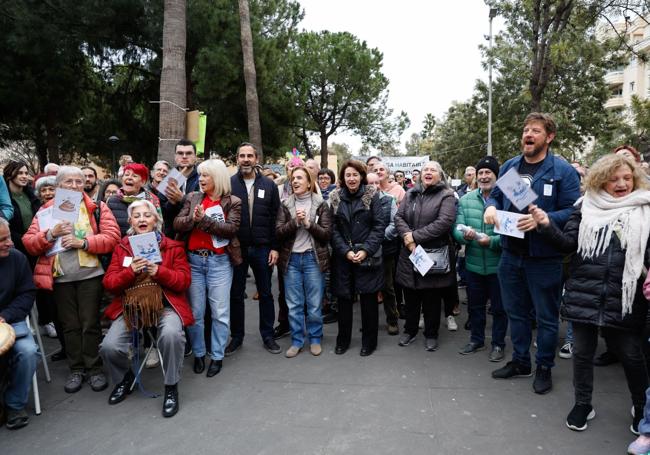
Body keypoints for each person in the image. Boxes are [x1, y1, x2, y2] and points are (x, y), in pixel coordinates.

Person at [529, 153, 650, 434]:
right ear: (600, 180)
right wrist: (546, 225)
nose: (621, 183)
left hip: (625, 297)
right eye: (613, 178)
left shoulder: (645, 208)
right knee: (582, 354)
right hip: (584, 293)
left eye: (627, 178)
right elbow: (567, 244)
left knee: (632, 356)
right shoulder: (585, 208)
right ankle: (583, 403)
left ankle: (642, 407)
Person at [484, 112, 581, 395]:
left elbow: (572, 210)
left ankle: (544, 367)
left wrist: (543, 219)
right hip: (511, 254)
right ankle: (521, 362)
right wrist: (491, 206)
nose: (528, 134)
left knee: (547, 317)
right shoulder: (512, 167)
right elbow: (501, 197)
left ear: (549, 137)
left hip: (544, 258)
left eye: (535, 130)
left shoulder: (562, 171)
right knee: (516, 313)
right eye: (526, 129)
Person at [22, 166, 121, 393]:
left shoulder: (96, 207)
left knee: (89, 324)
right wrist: (50, 235)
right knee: (70, 326)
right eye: (69, 182)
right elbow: (29, 243)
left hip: (90, 275)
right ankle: (76, 369)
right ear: (58, 186)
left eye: (79, 181)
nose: (75, 186)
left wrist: (84, 242)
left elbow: (112, 237)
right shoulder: (46, 211)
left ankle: (94, 369)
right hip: (60, 278)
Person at [101, 200, 192, 417]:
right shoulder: (122, 248)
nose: (142, 219)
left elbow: (183, 281)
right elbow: (109, 284)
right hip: (130, 307)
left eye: (147, 215)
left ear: (156, 220)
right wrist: (129, 271)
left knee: (171, 334)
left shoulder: (173, 247)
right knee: (109, 346)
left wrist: (159, 271)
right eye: (137, 216)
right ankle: (125, 377)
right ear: (130, 221)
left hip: (164, 305)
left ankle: (171, 386)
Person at [174, 159, 242, 376]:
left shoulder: (233, 201)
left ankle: (217, 356)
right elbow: (177, 223)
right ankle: (200, 354)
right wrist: (193, 221)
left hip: (219, 263)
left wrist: (203, 220)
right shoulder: (193, 198)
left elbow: (230, 229)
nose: (201, 179)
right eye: (200, 175)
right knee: (195, 312)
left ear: (218, 177)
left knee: (220, 313)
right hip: (193, 262)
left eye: (206, 175)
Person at [394, 161, 457, 352]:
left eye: (433, 170)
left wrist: (414, 236)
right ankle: (410, 330)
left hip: (433, 254)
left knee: (432, 298)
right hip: (410, 253)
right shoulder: (411, 193)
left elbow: (444, 223)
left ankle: (431, 334)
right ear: (420, 175)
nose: (428, 172)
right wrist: (409, 239)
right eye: (425, 170)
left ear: (440, 175)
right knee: (411, 296)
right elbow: (398, 217)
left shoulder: (446, 195)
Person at [227, 143, 282, 355]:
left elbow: (276, 217)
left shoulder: (269, 185)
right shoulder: (229, 184)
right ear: (237, 159)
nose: (246, 159)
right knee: (236, 294)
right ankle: (237, 337)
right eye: (242, 156)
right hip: (237, 249)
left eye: (250, 155)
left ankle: (268, 335)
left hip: (262, 248)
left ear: (256, 158)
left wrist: (274, 247)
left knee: (266, 293)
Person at [329, 160, 386, 356]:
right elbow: (333, 229)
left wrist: (366, 250)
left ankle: (369, 342)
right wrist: (345, 251)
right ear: (343, 178)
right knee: (344, 300)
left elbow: (379, 227)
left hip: (367, 256)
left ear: (361, 176)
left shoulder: (372, 196)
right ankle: (342, 340)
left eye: (355, 175)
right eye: (347, 175)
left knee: (368, 301)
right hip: (344, 257)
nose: (351, 178)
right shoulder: (335, 198)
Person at [453, 156, 506, 361]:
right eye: (480, 173)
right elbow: (456, 228)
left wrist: (492, 241)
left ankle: (498, 344)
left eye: (488, 173)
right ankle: (476, 340)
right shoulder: (465, 200)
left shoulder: (505, 200)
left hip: (499, 266)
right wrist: (463, 235)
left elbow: (512, 235)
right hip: (473, 265)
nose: (484, 177)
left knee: (500, 309)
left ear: (496, 176)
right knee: (475, 307)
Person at [276, 167, 332, 357]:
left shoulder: (321, 203)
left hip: (312, 259)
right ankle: (297, 340)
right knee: (294, 304)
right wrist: (296, 223)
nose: (295, 181)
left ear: (309, 182)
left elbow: (326, 235)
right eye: (293, 178)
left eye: (300, 178)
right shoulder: (285, 204)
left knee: (314, 304)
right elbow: (279, 232)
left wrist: (308, 224)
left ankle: (315, 338)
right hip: (291, 260)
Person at [0, 218, 38, 430]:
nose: (10, 242)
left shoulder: (16, 258)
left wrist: (5, 315)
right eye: (3, 239)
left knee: (28, 351)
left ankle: (14, 404)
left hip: (11, 321)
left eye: (8, 237)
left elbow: (27, 293)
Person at [367, 172, 400, 335]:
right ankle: (370, 322)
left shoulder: (389, 200)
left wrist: (376, 239)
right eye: (369, 183)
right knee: (369, 289)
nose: (373, 186)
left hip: (386, 251)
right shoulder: (361, 202)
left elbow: (395, 224)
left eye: (376, 183)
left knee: (388, 287)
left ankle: (392, 320)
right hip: (367, 253)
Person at [107, 163, 162, 237]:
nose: (129, 178)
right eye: (126, 175)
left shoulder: (152, 200)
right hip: (119, 245)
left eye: (134, 176)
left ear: (143, 182)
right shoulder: (111, 201)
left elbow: (159, 227)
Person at [4, 161, 39, 260]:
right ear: (9, 175)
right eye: (20, 173)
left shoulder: (32, 195)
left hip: (36, 244)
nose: (24, 176)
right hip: (15, 248)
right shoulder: (4, 199)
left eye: (26, 173)